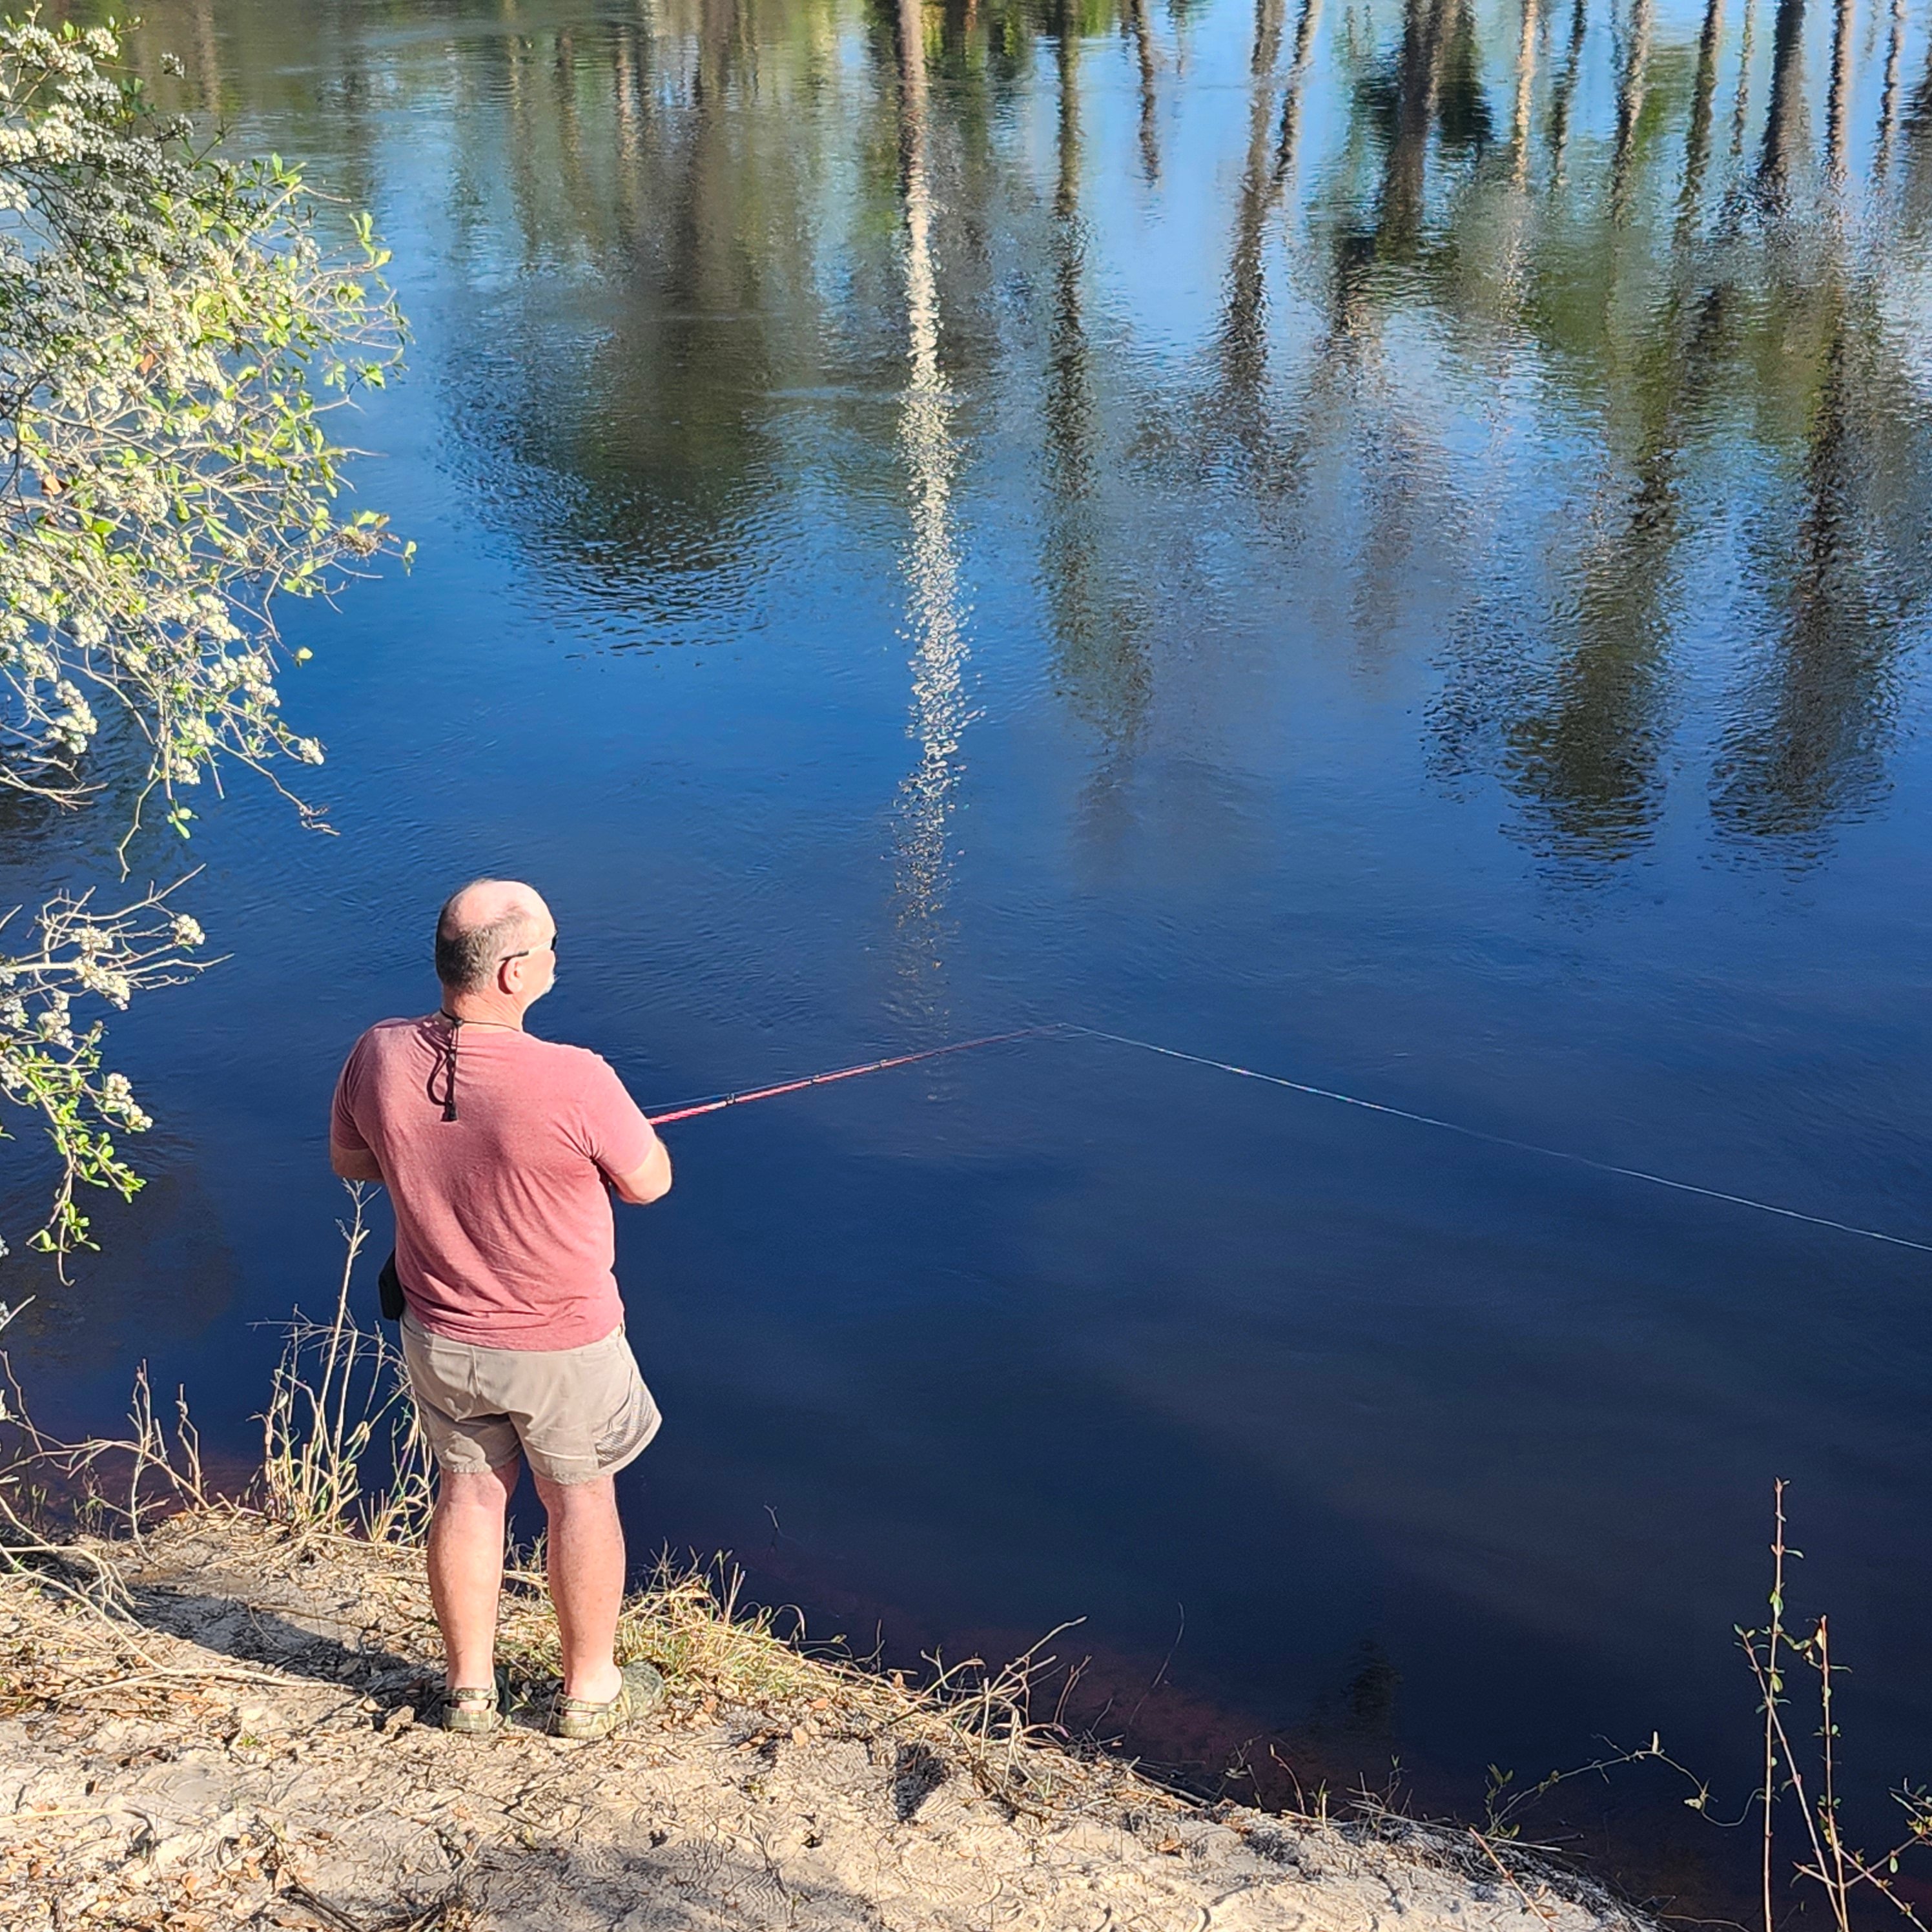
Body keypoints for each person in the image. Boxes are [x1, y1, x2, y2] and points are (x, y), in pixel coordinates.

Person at [328, 878, 673, 1738]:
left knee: (470, 1495)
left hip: (440, 1333)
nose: (559, 957)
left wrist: (439, 1160)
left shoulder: (378, 1052)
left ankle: (470, 1692)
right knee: (582, 1502)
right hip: (560, 1344)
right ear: (514, 973)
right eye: (550, 946)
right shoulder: (577, 1077)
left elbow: (352, 1161)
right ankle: (591, 1694)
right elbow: (650, 1184)